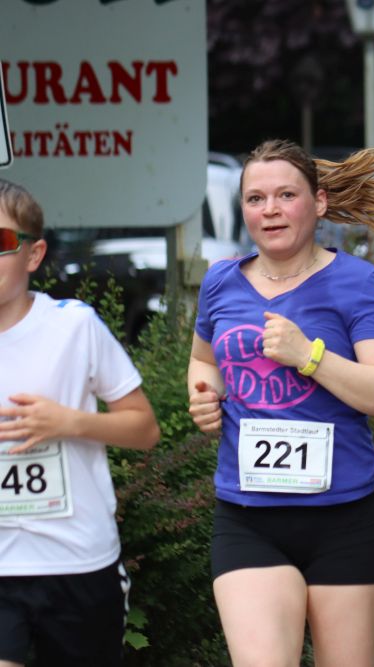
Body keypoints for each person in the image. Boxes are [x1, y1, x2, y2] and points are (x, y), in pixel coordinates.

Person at [187, 139, 374, 667]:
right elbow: (202, 361)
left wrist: (308, 356)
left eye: (286, 195)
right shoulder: (221, 281)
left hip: (344, 518)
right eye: (255, 198)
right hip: (248, 517)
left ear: (319, 202)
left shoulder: (358, 282)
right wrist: (204, 395)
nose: (270, 210)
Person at [0, 179, 160, 667]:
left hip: (79, 561)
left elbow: (144, 428)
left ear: (34, 254)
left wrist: (69, 422)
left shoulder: (74, 325)